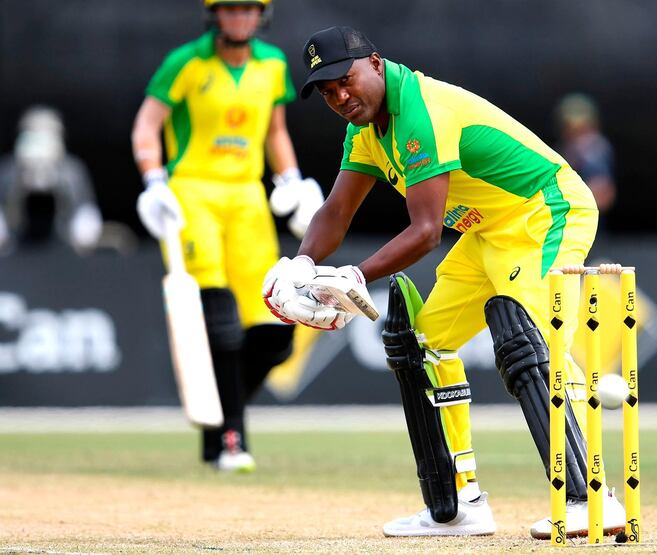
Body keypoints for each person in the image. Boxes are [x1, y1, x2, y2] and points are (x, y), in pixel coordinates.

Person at [263, 26, 630, 539]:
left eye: (345, 80)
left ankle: (591, 498)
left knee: (530, 339)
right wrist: (302, 264)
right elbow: (337, 210)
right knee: (424, 345)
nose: (341, 97)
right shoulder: (365, 128)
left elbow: (426, 231)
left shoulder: (421, 111)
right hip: (485, 228)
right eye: (327, 92)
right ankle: (461, 504)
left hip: (545, 211)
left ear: (375, 62)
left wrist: (352, 275)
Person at [131, 0, 323, 472]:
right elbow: (147, 126)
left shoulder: (272, 64)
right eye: (230, 9)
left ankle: (217, 424)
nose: (239, 18)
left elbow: (274, 131)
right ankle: (232, 441)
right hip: (191, 195)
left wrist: (291, 179)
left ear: (262, 15)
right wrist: (154, 180)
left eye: (248, 9)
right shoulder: (186, 62)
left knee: (277, 333)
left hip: (248, 199)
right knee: (221, 324)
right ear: (214, 15)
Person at [0, 106, 104, 255]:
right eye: (32, 134)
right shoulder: (8, 170)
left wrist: (84, 235)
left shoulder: (72, 171)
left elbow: (84, 206)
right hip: (17, 247)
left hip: (63, 243)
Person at [556, 93, 616, 234]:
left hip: (586, 232)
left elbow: (604, 195)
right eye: (571, 128)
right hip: (563, 231)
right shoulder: (562, 151)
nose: (577, 134)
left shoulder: (596, 150)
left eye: (582, 127)